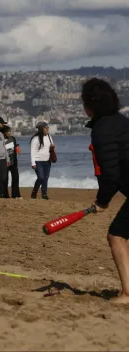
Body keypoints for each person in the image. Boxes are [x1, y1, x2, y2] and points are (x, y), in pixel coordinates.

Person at [82, 78, 129, 304]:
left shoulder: (102, 130)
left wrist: (102, 202)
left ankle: (128, 294)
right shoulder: (122, 121)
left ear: (90, 106)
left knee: (117, 235)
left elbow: (110, 174)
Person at [30, 122, 55, 200]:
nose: (48, 129)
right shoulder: (35, 139)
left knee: (45, 178)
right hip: (38, 161)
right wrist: (33, 162)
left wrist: (52, 147)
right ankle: (34, 191)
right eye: (46, 128)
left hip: (47, 161)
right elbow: (32, 151)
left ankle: (44, 194)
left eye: (48, 128)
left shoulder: (49, 136)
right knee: (41, 177)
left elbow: (51, 146)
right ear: (41, 129)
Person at [1, 125, 22, 199]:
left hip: (13, 162)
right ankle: (5, 195)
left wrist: (17, 148)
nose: (9, 133)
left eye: (10, 131)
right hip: (4, 163)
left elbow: (15, 147)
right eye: (8, 132)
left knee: (16, 178)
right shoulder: (0, 141)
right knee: (5, 179)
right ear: (3, 133)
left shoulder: (12, 138)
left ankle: (16, 194)